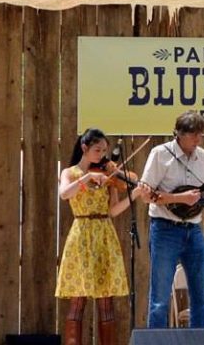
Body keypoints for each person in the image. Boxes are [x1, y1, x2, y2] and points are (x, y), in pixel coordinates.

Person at [56, 128, 150, 345]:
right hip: (81, 235)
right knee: (77, 300)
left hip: (104, 234)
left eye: (104, 151)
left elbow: (113, 211)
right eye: (97, 150)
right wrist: (87, 177)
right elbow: (64, 194)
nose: (102, 156)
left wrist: (134, 194)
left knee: (106, 301)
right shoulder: (70, 173)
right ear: (84, 148)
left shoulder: (109, 176)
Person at [140, 110, 204, 328]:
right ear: (178, 134)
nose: (198, 140)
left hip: (194, 229)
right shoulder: (160, 154)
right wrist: (179, 197)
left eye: (200, 135)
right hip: (165, 229)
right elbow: (145, 194)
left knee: (201, 298)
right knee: (160, 300)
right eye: (193, 136)